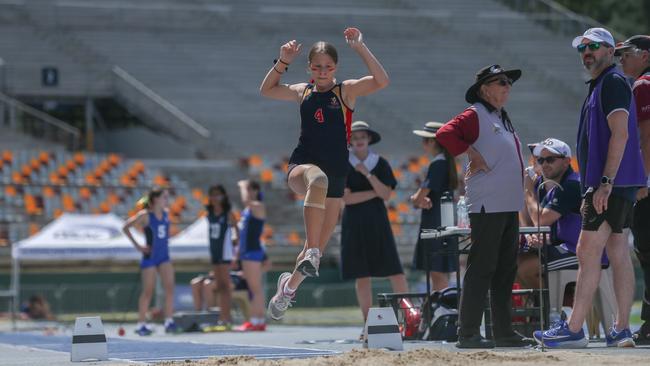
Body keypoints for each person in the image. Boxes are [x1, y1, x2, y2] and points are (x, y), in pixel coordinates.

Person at [260, 27, 389, 320]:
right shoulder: (301, 91)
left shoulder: (345, 91)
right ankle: (311, 256)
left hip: (337, 174)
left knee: (314, 244)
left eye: (328, 67)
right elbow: (266, 90)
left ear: (336, 68)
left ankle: (288, 289)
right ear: (309, 68)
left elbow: (382, 81)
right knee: (317, 181)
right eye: (316, 66)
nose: (322, 71)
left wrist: (361, 48)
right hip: (303, 167)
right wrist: (282, 61)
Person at [535, 28, 646, 349]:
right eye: (583, 48)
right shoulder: (603, 84)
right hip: (618, 184)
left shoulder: (611, 82)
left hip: (608, 184)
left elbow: (621, 134)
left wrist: (605, 182)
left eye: (594, 46)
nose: (587, 51)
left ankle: (573, 328)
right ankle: (621, 329)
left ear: (610, 51)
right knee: (617, 251)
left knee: (586, 250)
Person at [435, 64, 534, 348]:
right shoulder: (475, 114)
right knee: (482, 268)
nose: (507, 86)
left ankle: (502, 331)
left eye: (508, 82)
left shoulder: (500, 117)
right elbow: (445, 133)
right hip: (488, 204)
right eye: (501, 82)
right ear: (484, 89)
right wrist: (470, 152)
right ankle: (467, 333)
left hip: (507, 204)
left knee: (504, 270)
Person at [518, 138, 609, 290]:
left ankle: (551, 311)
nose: (544, 164)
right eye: (540, 160)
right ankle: (546, 310)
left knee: (526, 268)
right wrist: (529, 235)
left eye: (550, 159)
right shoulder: (542, 184)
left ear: (566, 162)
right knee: (514, 264)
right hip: (564, 247)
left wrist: (527, 190)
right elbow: (524, 210)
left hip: (585, 253)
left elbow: (541, 219)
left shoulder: (572, 185)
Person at [340, 121, 408, 323]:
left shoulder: (381, 163)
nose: (358, 141)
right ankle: (368, 323)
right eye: (354, 137)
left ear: (369, 139)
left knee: (396, 272)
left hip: (378, 221)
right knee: (362, 276)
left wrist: (367, 174)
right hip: (354, 223)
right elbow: (347, 199)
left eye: (362, 137)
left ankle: (407, 319)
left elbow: (386, 194)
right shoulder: (343, 163)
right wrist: (374, 192)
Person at [616, 35, 650, 344]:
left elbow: (645, 136)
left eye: (626, 54)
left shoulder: (642, 86)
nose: (621, 60)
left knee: (646, 250)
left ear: (644, 55)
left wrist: (644, 180)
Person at [123, 187, 180, 335]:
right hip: (150, 257)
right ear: (155, 199)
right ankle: (141, 324)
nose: (167, 200)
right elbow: (125, 227)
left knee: (170, 288)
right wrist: (139, 247)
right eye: (164, 197)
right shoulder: (145, 215)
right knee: (148, 291)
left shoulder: (167, 214)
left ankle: (169, 321)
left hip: (164, 256)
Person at [410, 121, 459, 291]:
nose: (423, 144)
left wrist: (415, 198)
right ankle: (442, 307)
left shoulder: (438, 164)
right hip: (443, 220)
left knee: (436, 272)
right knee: (439, 272)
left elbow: (419, 197)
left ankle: (444, 308)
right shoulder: (445, 162)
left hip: (435, 223)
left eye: (425, 140)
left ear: (432, 142)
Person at [235, 180, 267, 331]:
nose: (249, 192)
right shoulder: (248, 210)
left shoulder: (257, 206)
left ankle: (256, 321)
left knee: (255, 289)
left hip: (253, 252)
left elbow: (246, 200)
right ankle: (257, 320)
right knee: (253, 288)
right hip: (247, 253)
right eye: (248, 189)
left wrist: (242, 186)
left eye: (251, 189)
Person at [205, 185, 238, 329]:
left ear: (223, 196)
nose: (215, 198)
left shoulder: (227, 213)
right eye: (212, 195)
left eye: (218, 195)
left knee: (225, 286)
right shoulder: (209, 213)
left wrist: (235, 247)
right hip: (214, 251)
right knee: (218, 286)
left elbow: (237, 230)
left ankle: (227, 317)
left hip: (225, 252)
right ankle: (221, 317)